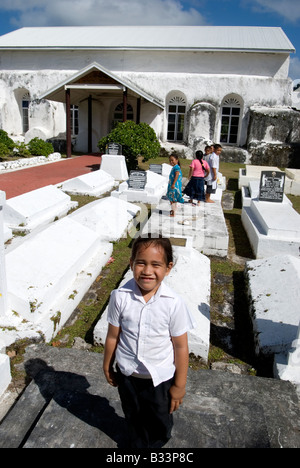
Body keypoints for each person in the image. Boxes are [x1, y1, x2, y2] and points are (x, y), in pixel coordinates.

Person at [103, 236, 195, 448]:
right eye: (141, 263)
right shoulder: (119, 297)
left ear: (168, 268)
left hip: (159, 378)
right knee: (133, 414)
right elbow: (112, 336)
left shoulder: (173, 304)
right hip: (128, 373)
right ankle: (136, 444)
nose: (147, 271)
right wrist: (107, 365)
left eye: (156, 264)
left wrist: (179, 385)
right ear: (131, 264)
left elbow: (180, 346)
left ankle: (155, 445)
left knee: (159, 417)